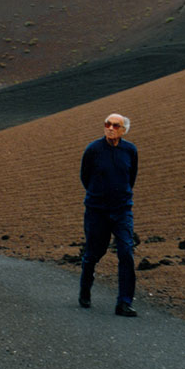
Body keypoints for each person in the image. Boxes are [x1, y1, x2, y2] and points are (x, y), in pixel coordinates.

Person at [78, 112, 139, 317]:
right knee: (94, 253)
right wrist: (98, 195)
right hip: (97, 211)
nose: (110, 128)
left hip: (122, 210)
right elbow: (84, 176)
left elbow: (131, 177)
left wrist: (121, 196)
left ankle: (124, 302)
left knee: (126, 252)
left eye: (115, 125)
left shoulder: (130, 151)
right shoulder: (93, 149)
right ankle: (85, 289)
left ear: (123, 130)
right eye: (107, 124)